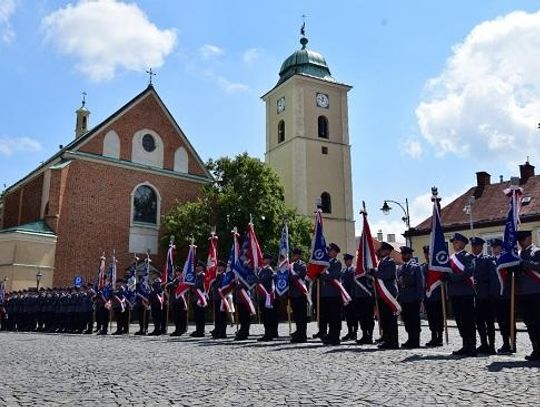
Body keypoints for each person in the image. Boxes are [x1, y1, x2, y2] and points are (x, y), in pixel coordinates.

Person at [446, 233, 477, 357]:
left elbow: (468, 271)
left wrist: (451, 277)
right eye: (453, 242)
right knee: (459, 321)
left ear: (463, 243)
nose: (454, 244)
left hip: (466, 293)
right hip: (454, 294)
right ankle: (465, 345)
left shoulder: (468, 257)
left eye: (457, 242)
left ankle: (472, 346)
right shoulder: (450, 259)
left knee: (468, 321)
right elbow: (446, 273)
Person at [516, 230, 540, 361]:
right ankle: (536, 349)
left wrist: (525, 263)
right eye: (519, 240)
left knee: (538, 322)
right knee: (530, 323)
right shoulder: (518, 254)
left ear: (529, 238)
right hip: (523, 293)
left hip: (536, 292)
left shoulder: (536, 252)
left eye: (522, 239)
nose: (520, 242)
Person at [470, 237, 497, 355]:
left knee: (489, 322)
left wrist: (492, 294)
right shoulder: (470, 260)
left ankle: (491, 345)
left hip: (486, 295)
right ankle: (483, 344)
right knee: (479, 322)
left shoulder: (488, 259)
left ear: (481, 247)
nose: (474, 248)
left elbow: (493, 278)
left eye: (477, 246)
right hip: (475, 296)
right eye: (473, 246)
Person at [372, 242, 399, 349]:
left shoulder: (390, 262)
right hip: (381, 294)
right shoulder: (380, 263)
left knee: (390, 319)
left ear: (388, 251)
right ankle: (387, 339)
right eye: (381, 250)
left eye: (383, 250)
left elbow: (387, 275)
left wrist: (375, 273)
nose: (381, 251)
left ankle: (393, 341)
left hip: (388, 294)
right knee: (384, 318)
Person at [397, 246, 424, 349]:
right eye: (402, 254)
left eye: (406, 254)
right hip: (404, 297)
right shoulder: (400, 268)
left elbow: (420, 283)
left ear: (410, 255)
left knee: (414, 320)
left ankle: (415, 340)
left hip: (413, 297)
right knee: (407, 320)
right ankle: (410, 339)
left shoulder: (416, 267)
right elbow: (398, 283)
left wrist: (419, 298)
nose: (404, 256)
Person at [490, 238, 514, 353]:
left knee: (509, 320)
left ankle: (512, 343)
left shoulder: (507, 261)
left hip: (507, 295)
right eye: (492, 248)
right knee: (501, 321)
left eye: (496, 247)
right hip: (496, 297)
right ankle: (505, 343)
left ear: (501, 248)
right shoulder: (491, 261)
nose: (494, 250)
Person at [319, 243, 343, 346]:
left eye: (331, 251)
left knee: (335, 318)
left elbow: (333, 276)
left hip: (334, 294)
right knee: (327, 317)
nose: (328, 252)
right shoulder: (325, 264)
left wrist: (322, 275)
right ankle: (329, 335)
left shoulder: (337, 263)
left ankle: (335, 337)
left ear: (335, 252)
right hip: (325, 294)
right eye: (328, 251)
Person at [421, 246, 444, 347]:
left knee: (439, 317)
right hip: (428, 296)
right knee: (431, 318)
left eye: (428, 254)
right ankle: (433, 336)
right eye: (425, 254)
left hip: (438, 296)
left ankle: (440, 337)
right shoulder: (424, 267)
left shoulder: (437, 267)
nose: (427, 256)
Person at [289, 248, 309, 343]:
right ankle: (298, 333)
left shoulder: (302, 265)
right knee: (296, 316)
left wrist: (290, 276)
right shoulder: (291, 265)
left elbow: (297, 276)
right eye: (293, 254)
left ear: (299, 255)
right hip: (293, 294)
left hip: (300, 294)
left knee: (302, 316)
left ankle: (302, 335)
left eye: (295, 254)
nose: (293, 256)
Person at [257, 253, 277, 341]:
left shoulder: (270, 270)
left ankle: (269, 334)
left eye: (265, 259)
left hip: (268, 297)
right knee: (264, 317)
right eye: (263, 258)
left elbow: (272, 284)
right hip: (262, 297)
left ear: (268, 260)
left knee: (269, 317)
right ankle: (267, 333)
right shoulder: (261, 270)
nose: (264, 260)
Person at [341, 253, 358, 341]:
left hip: (352, 296)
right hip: (345, 296)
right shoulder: (343, 270)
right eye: (345, 260)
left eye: (347, 260)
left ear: (351, 260)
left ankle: (354, 332)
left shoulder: (354, 270)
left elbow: (353, 283)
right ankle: (349, 331)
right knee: (348, 316)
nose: (346, 261)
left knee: (354, 315)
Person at [211, 261, 228, 339]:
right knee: (217, 316)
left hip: (222, 298)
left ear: (224, 268)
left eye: (220, 266)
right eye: (218, 266)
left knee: (222, 316)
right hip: (217, 297)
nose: (218, 268)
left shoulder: (224, 275)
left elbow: (221, 285)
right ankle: (217, 330)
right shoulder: (217, 276)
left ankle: (222, 332)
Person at [190, 261, 207, 337]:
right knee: (196, 316)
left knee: (200, 316)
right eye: (196, 266)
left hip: (201, 299)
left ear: (202, 268)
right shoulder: (196, 276)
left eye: (199, 266)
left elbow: (200, 286)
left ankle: (201, 331)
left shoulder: (203, 276)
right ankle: (198, 329)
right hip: (195, 298)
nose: (197, 268)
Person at [168, 267, 187, 337]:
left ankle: (181, 329)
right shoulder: (175, 280)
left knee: (181, 316)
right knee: (175, 316)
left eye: (179, 272)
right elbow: (170, 287)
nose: (177, 273)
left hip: (181, 301)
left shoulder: (183, 280)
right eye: (177, 272)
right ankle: (177, 329)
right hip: (174, 301)